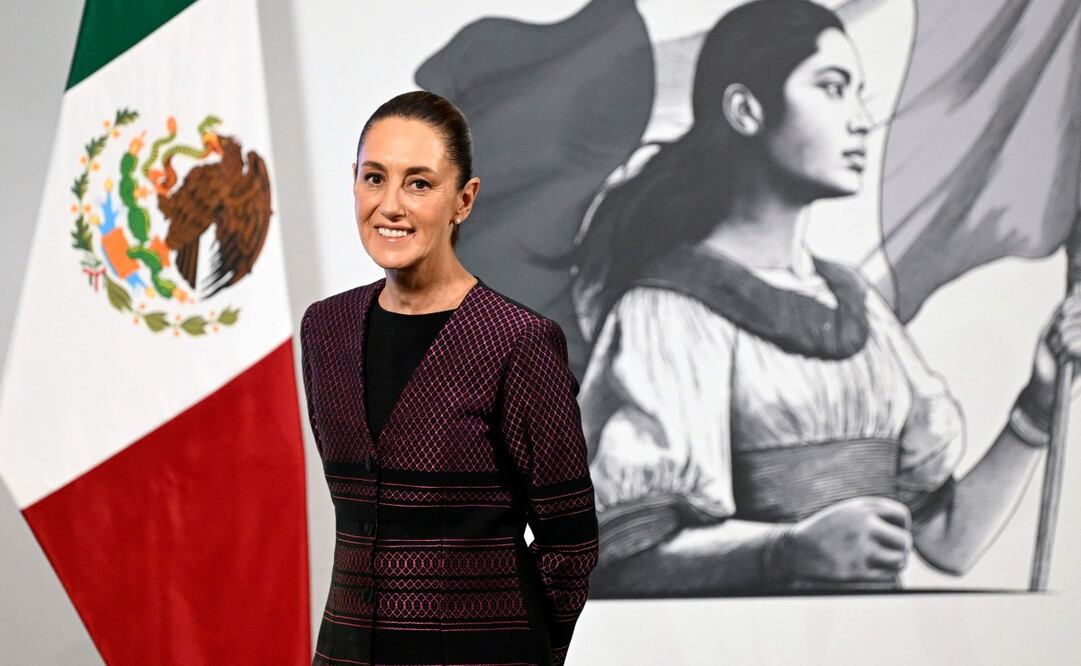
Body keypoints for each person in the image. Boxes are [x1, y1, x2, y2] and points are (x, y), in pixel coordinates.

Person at [574, 0, 1081, 596]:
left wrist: (1039, 404)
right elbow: (622, 557)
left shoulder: (858, 305)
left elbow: (949, 541)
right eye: (833, 88)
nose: (862, 119)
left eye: (859, 92)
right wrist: (786, 551)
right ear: (746, 110)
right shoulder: (668, 312)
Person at [300, 91, 598, 665]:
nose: (390, 205)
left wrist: (526, 652)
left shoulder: (518, 340)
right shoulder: (326, 330)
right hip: (343, 653)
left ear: (464, 200)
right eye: (373, 178)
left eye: (419, 183)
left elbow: (571, 543)